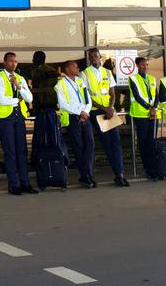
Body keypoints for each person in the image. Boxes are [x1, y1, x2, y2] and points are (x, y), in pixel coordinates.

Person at [82, 48, 130, 187]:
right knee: (107, 142)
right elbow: (88, 97)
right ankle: (116, 173)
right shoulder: (84, 73)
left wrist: (111, 107)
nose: (94, 59)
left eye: (96, 56)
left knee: (116, 141)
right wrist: (105, 109)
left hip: (109, 111)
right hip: (96, 112)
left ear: (100, 57)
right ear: (89, 58)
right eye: (91, 57)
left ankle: (120, 174)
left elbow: (112, 93)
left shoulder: (107, 72)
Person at [0, 52, 37, 195]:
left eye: (15, 61)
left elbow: (29, 98)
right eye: (10, 61)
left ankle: (25, 183)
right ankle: (13, 184)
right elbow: (2, 99)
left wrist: (19, 86)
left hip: (19, 117)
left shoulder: (20, 78)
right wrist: (17, 100)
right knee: (10, 151)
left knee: (22, 151)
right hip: (5, 117)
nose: (13, 64)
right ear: (4, 62)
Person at [56, 59, 94, 187]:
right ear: (67, 69)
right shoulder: (60, 85)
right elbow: (63, 104)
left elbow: (88, 99)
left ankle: (88, 173)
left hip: (85, 116)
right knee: (79, 148)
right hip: (73, 118)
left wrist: (86, 112)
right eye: (75, 67)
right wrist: (79, 113)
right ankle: (85, 175)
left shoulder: (80, 82)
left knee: (90, 145)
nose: (78, 69)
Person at [128, 57, 160, 180]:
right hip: (140, 114)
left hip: (152, 114)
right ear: (137, 65)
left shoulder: (152, 79)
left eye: (146, 65)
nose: (145, 67)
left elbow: (156, 96)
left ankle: (153, 167)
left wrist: (154, 108)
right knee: (143, 142)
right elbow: (137, 96)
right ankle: (147, 167)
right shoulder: (133, 79)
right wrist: (149, 108)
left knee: (151, 141)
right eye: (142, 65)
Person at [30, 51, 60, 161]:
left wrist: (34, 106)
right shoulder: (52, 70)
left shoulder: (37, 71)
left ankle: (39, 158)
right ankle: (52, 156)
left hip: (42, 107)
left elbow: (38, 91)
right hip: (52, 105)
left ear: (38, 59)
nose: (32, 60)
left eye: (34, 58)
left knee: (40, 133)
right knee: (52, 132)